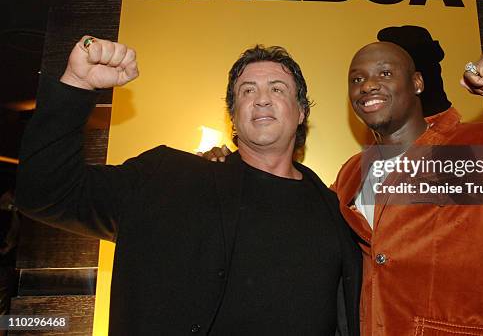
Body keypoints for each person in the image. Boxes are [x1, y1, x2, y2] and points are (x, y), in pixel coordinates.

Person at [205, 26, 483, 335]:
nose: (367, 85)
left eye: (384, 73)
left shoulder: (474, 148)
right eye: (356, 79)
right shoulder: (350, 175)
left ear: (418, 84)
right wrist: (227, 171)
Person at [16, 36, 362, 336]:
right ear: (233, 113)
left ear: (301, 112)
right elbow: (47, 191)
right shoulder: (165, 178)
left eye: (277, 88)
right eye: (247, 90)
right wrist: (77, 83)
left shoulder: (335, 211)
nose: (261, 99)